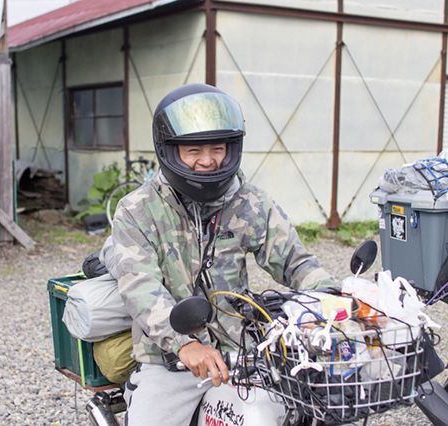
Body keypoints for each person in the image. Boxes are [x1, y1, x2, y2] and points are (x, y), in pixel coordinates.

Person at [108, 83, 335, 425]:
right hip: (170, 361)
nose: (208, 161)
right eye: (193, 150)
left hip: (241, 350)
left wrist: (334, 298)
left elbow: (295, 261)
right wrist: (184, 344)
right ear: (169, 151)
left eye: (217, 148)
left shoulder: (250, 202)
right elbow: (140, 287)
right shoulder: (138, 210)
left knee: (305, 410)